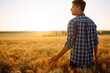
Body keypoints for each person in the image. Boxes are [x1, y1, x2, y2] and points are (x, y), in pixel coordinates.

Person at [48, 0, 98, 73]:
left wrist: (57, 56)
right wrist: (95, 56)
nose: (70, 9)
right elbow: (95, 42)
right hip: (90, 61)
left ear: (78, 8)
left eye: (72, 7)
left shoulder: (73, 21)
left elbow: (70, 42)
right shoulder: (92, 22)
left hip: (76, 62)